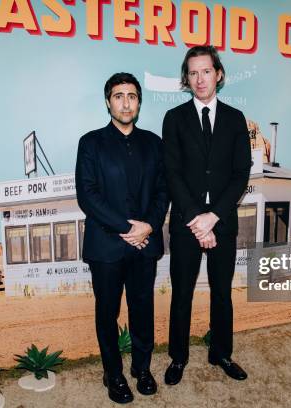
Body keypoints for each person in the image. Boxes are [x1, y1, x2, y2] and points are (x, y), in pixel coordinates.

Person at [75, 72, 169, 404]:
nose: (125, 102)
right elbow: (88, 196)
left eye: (131, 96)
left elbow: (162, 191)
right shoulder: (90, 143)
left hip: (145, 246)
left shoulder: (154, 144)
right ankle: (113, 374)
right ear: (108, 102)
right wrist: (127, 228)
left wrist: (149, 225)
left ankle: (141, 369)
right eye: (119, 96)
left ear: (139, 102)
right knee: (107, 314)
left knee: (142, 311)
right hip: (106, 248)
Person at [162, 46, 252, 385]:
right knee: (181, 293)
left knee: (221, 292)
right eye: (193, 73)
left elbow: (240, 173)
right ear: (187, 78)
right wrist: (198, 220)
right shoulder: (174, 119)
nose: (200, 79)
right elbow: (172, 174)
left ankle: (222, 353)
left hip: (223, 222)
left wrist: (213, 217)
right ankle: (178, 358)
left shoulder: (235, 118)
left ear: (219, 74)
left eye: (206, 71)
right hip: (187, 223)